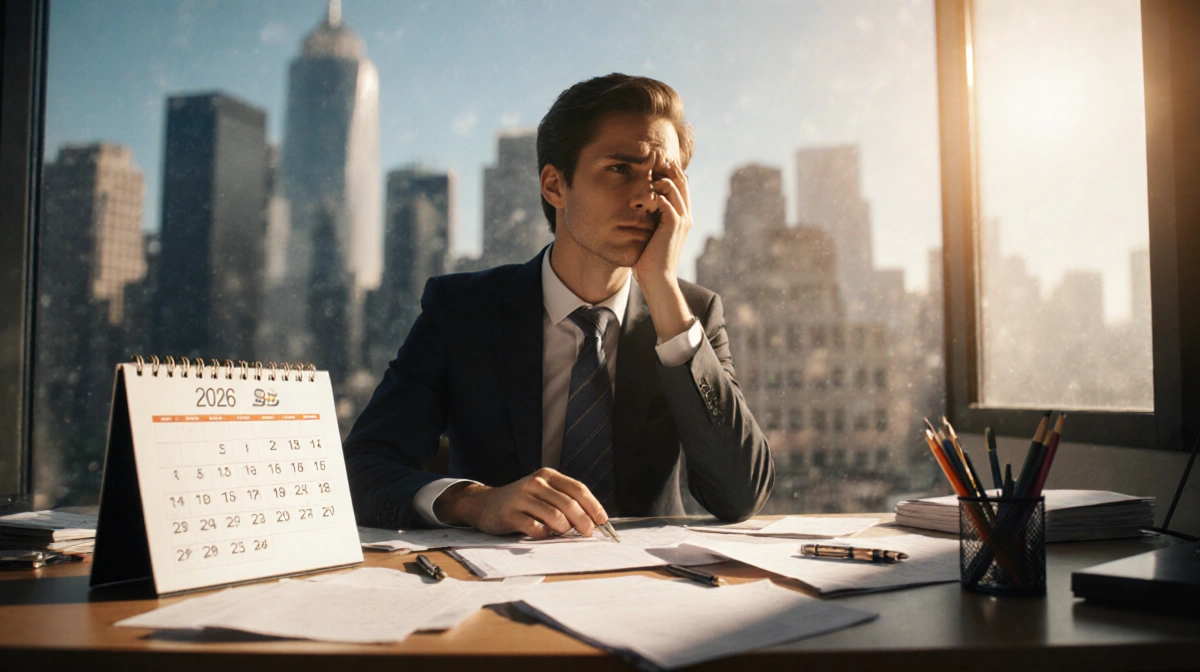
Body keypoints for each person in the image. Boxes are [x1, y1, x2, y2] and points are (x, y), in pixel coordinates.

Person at [344, 73, 773, 537]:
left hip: (647, 586)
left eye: (662, 178)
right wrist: (474, 501)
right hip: (493, 583)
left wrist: (663, 288)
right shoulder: (462, 310)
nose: (646, 198)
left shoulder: (690, 316)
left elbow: (740, 494)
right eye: (619, 169)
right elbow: (363, 465)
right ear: (554, 185)